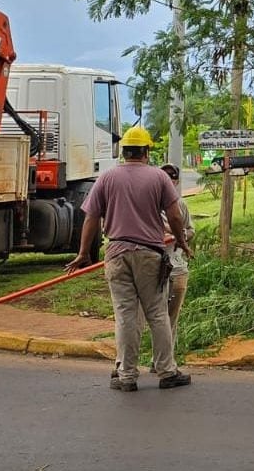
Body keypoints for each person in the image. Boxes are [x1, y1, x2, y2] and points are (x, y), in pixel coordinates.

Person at [65, 125, 193, 392]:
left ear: (124, 152)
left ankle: (126, 376)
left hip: (116, 253)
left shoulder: (106, 178)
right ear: (146, 151)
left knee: (125, 316)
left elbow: (90, 218)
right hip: (149, 254)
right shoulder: (158, 178)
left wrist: (82, 254)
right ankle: (167, 371)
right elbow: (175, 215)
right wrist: (181, 241)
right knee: (157, 313)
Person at [160, 164, 194, 345]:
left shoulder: (180, 204)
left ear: (176, 181)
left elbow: (190, 231)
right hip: (153, 268)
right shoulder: (149, 204)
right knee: (155, 316)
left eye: (171, 177)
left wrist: (179, 236)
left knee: (171, 317)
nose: (167, 180)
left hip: (177, 267)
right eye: (163, 176)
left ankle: (165, 359)